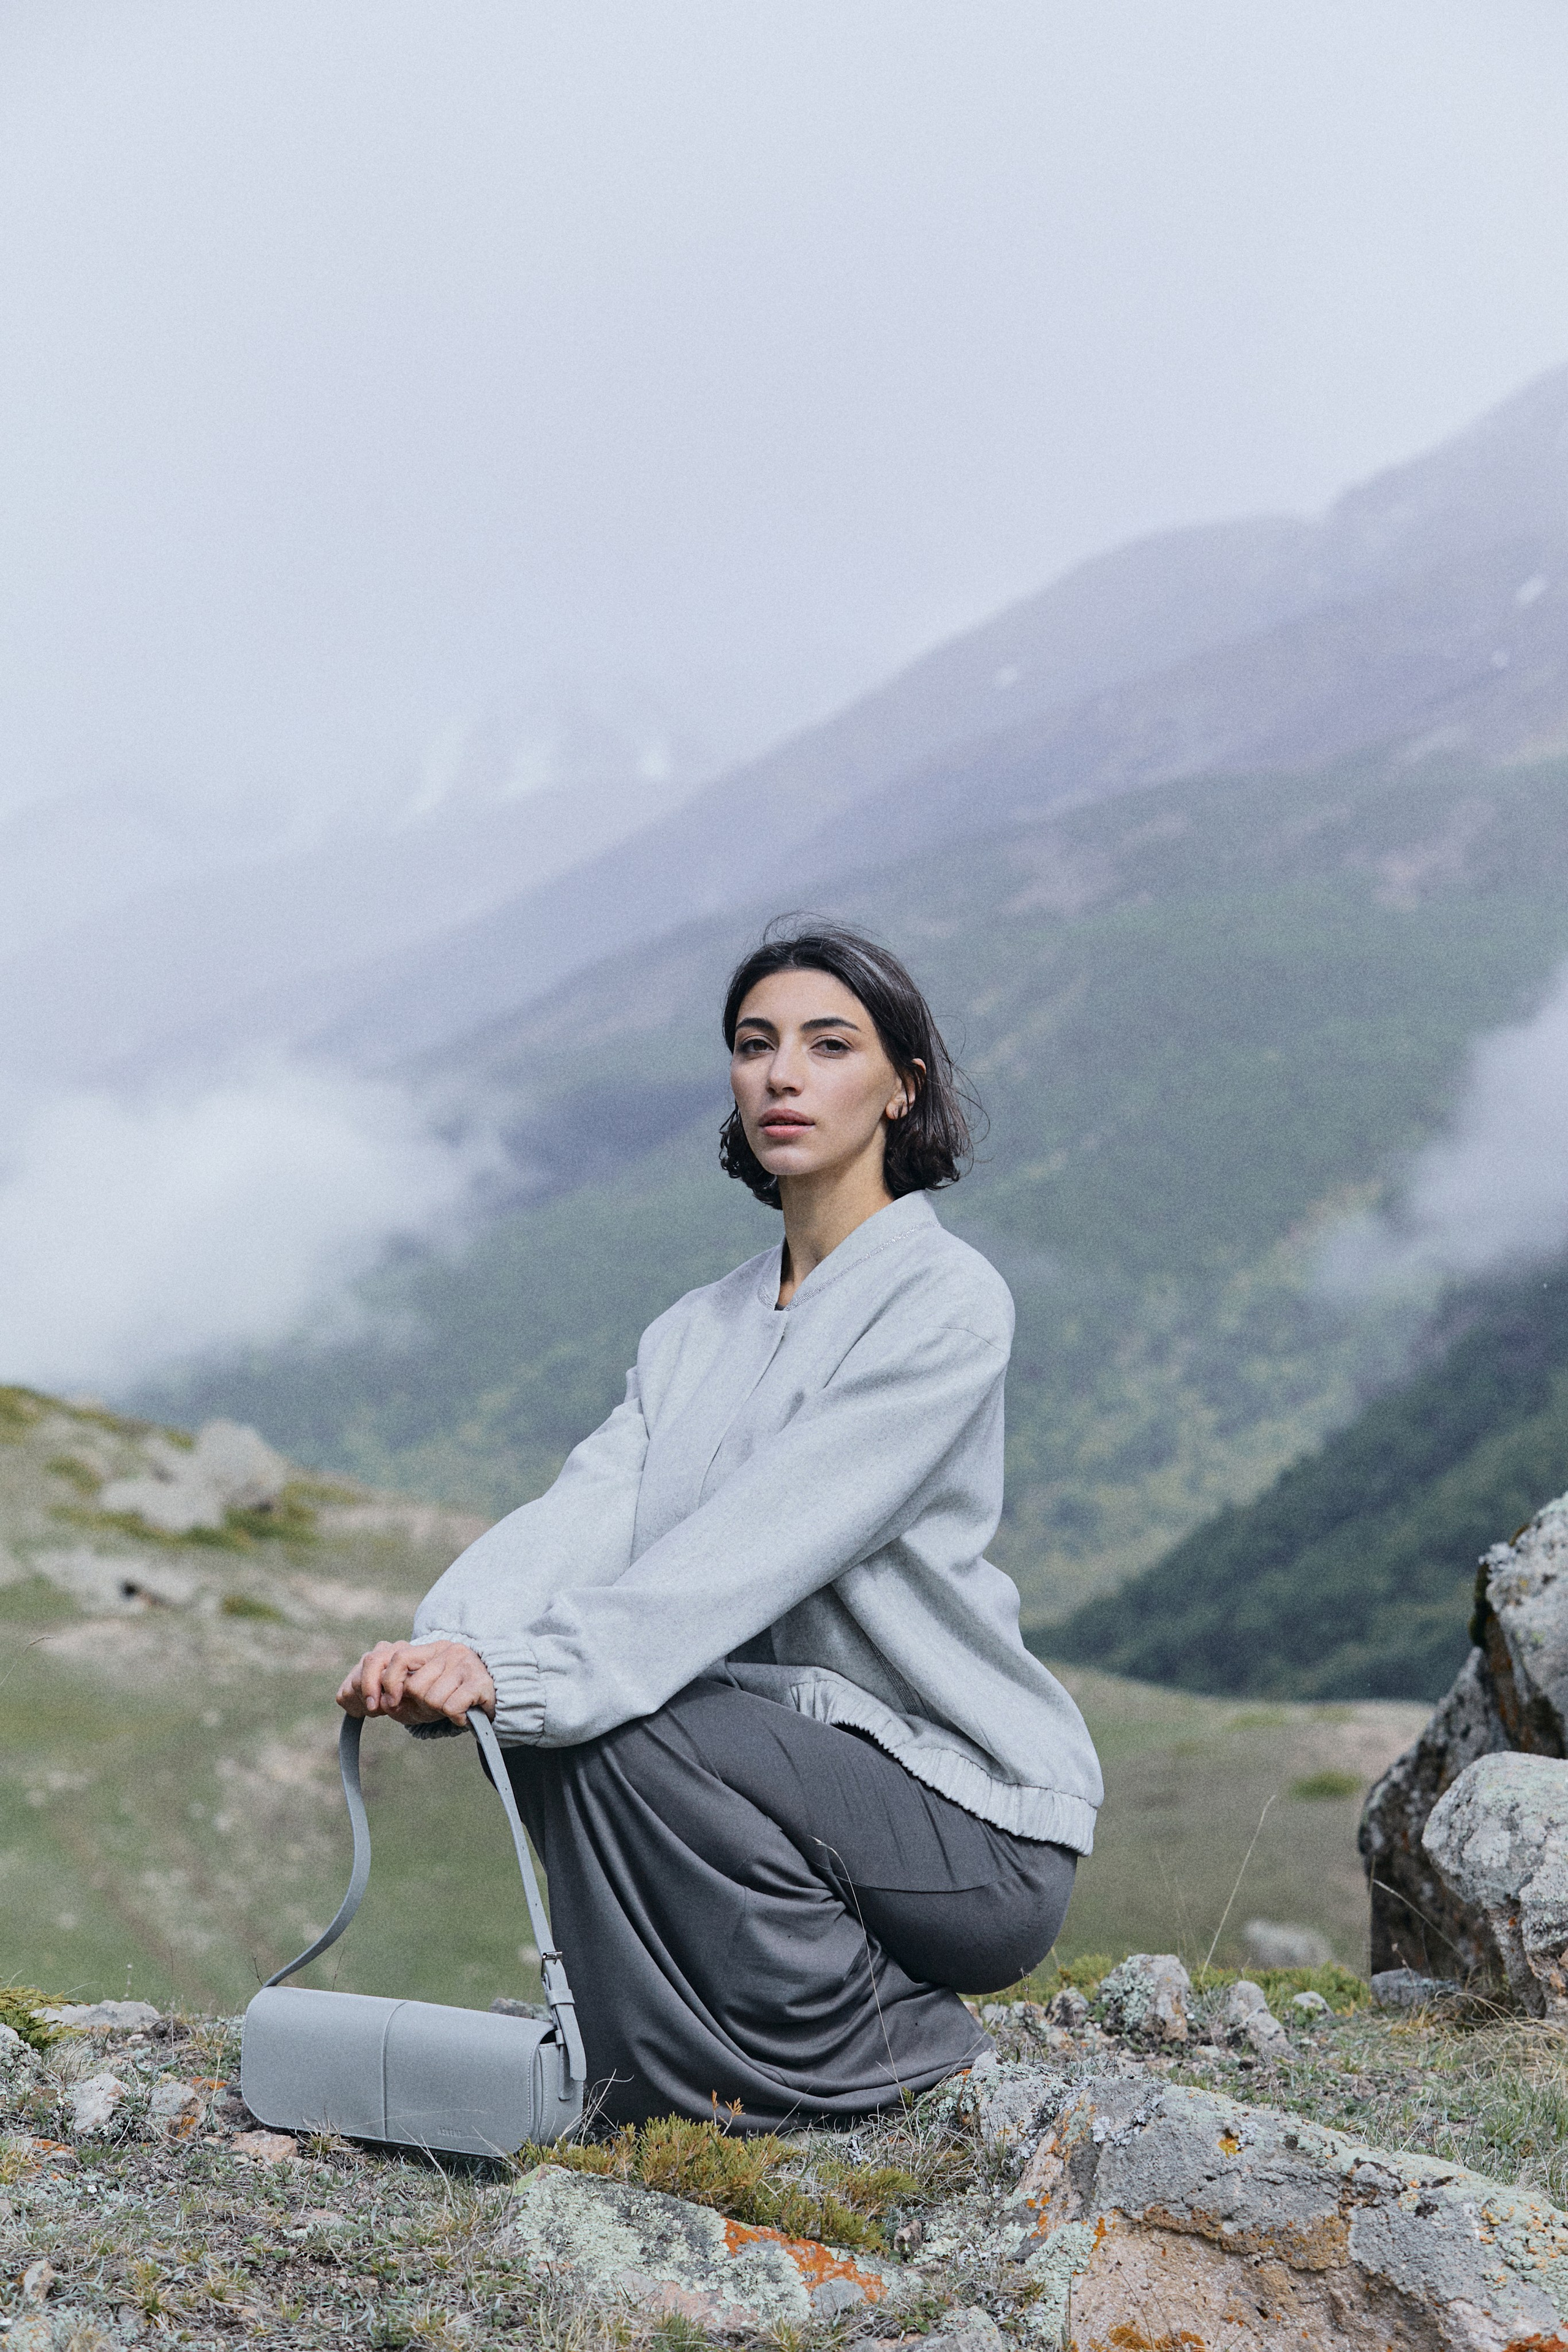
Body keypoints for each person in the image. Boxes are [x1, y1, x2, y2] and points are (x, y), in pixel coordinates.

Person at [338, 922, 1102, 2129]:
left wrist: (524, 1673)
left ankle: (872, 2042)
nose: (781, 1075)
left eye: (825, 1044)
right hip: (783, 1781)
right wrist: (451, 1646)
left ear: (902, 1086)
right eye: (754, 1046)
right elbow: (589, 1510)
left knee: (611, 1707)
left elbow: (749, 1547)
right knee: (557, 1713)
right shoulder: (695, 1329)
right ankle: (663, 2075)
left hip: (971, 1829)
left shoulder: (942, 1305)